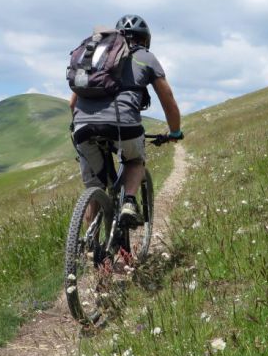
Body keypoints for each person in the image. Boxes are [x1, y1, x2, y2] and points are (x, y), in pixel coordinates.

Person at [69, 14, 183, 226]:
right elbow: (168, 99)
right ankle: (129, 201)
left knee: (94, 186)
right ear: (145, 40)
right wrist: (175, 132)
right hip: (124, 125)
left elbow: (71, 104)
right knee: (134, 161)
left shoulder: (95, 58)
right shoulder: (145, 57)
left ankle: (88, 245)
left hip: (82, 127)